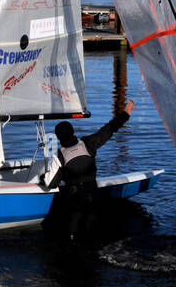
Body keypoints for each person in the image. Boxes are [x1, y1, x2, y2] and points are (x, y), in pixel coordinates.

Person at [42, 100, 135, 244]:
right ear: (73, 133)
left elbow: (50, 183)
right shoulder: (87, 143)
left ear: (59, 138)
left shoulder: (59, 155)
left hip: (74, 201)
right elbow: (109, 129)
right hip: (93, 196)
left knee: (72, 233)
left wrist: (43, 177)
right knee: (91, 231)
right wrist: (125, 114)